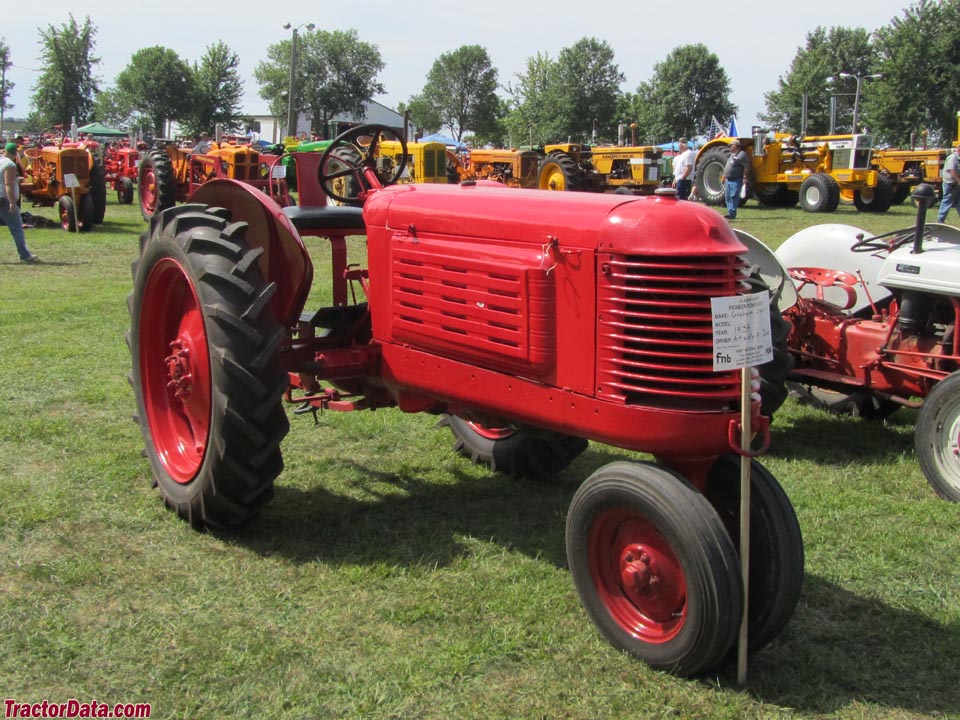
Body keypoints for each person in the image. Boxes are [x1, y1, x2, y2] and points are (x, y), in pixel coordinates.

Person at [0, 142, 38, 263]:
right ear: (15, 153)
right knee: (16, 228)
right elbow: (8, 184)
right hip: (3, 199)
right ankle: (25, 255)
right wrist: (12, 202)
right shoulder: (10, 164)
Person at [723, 139, 751, 220]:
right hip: (728, 180)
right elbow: (728, 166)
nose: (730, 147)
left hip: (736, 179)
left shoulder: (742, 155)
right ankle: (729, 212)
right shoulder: (732, 155)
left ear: (736, 146)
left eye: (731, 145)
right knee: (727, 197)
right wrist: (724, 176)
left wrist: (745, 177)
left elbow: (746, 167)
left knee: (733, 196)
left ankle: (732, 213)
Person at [938, 145, 960, 223]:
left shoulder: (958, 159)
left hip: (955, 184)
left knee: (958, 201)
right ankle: (940, 220)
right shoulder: (953, 158)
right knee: (947, 201)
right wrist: (958, 180)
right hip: (950, 184)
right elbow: (952, 171)